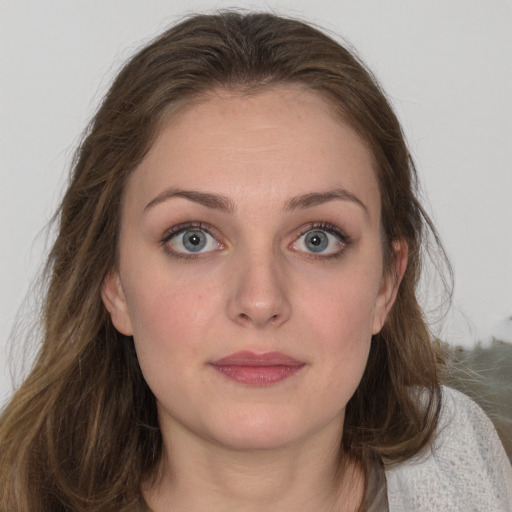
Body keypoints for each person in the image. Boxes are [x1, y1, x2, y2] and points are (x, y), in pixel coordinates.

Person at [0, 11, 510, 512]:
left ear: (387, 284)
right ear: (112, 284)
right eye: (194, 238)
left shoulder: (459, 452)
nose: (261, 300)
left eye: (317, 239)